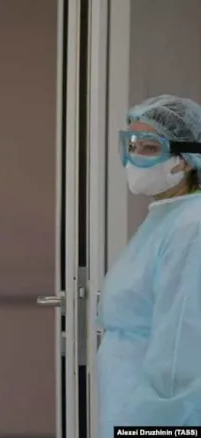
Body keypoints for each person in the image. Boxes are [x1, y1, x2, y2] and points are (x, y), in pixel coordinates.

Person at [97, 94, 201, 436]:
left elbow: (182, 350)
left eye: (150, 148)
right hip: (132, 406)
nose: (136, 157)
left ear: (185, 161)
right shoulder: (166, 218)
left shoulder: (192, 226)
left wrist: (152, 424)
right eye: (132, 145)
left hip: (159, 417)